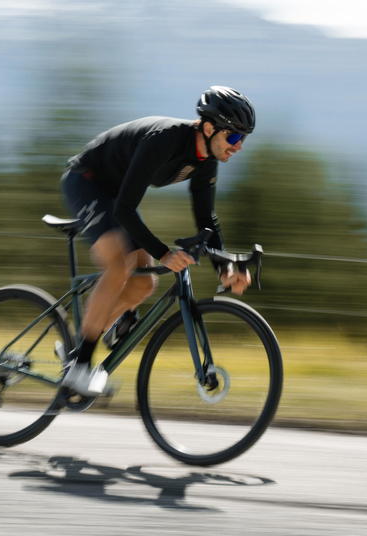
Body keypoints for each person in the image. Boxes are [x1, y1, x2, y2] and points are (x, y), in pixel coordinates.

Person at [59, 85, 256, 396]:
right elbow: (125, 210)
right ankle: (79, 367)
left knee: (143, 284)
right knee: (119, 265)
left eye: (243, 139)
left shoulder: (207, 160)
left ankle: (83, 338)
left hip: (116, 198)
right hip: (87, 182)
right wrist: (164, 254)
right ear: (208, 128)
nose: (239, 146)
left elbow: (206, 219)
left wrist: (224, 267)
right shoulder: (164, 140)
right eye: (233, 137)